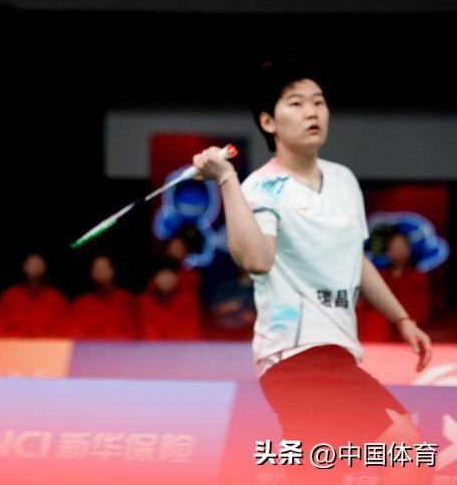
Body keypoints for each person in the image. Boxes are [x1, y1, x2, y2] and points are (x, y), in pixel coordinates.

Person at [193, 59, 432, 484]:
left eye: (318, 102)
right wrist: (227, 180)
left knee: (321, 470)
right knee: (407, 452)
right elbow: (256, 260)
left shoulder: (343, 181)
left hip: (336, 352)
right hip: (295, 356)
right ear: (268, 121)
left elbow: (354, 260)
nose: (312, 112)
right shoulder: (260, 187)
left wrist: (402, 319)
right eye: (296, 103)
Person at [359, 230, 431, 342]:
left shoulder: (417, 276)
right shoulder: (379, 275)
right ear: (387, 250)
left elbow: (421, 307)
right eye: (394, 246)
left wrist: (404, 320)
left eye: (402, 246)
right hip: (378, 330)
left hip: (408, 326)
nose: (398, 251)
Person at [0, 252, 68, 337]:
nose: (35, 268)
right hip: (14, 344)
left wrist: (40, 337)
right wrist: (19, 337)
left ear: (44, 267)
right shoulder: (8, 296)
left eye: (38, 264)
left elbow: (62, 331)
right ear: (24, 267)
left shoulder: (56, 298)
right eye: (31, 264)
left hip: (46, 344)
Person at [67, 256, 138, 339]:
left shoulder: (128, 301)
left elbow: (135, 334)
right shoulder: (80, 304)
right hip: (90, 347)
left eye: (105, 268)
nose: (101, 272)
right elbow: (74, 335)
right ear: (92, 273)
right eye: (97, 269)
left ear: (112, 271)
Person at [138, 257, 202, 340]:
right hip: (152, 346)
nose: (167, 279)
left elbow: (191, 331)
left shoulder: (189, 300)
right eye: (163, 275)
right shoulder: (144, 301)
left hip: (182, 346)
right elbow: (145, 331)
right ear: (154, 278)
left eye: (171, 274)